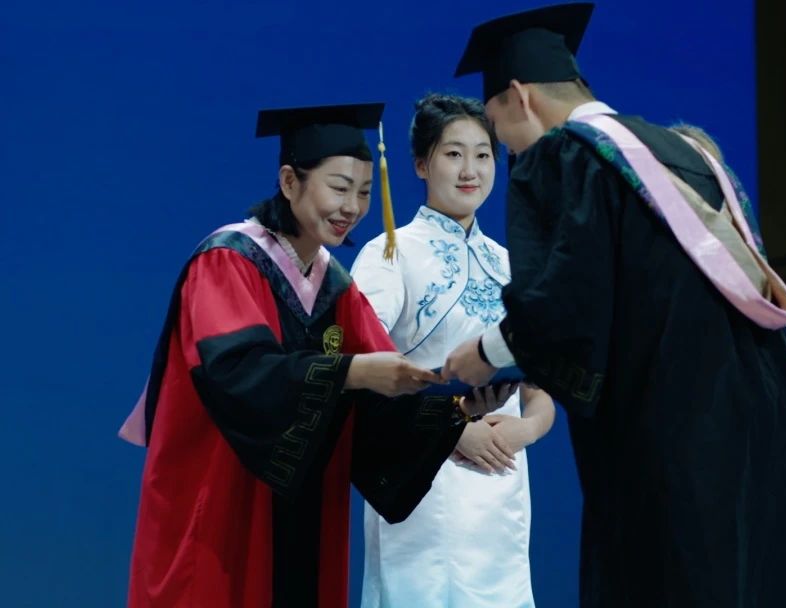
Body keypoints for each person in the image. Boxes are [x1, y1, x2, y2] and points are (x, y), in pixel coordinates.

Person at [443, 4, 786, 607]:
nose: (507, 147)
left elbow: (564, 302)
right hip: (767, 420)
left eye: (496, 127)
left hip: (677, 432)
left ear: (519, 97)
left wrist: (488, 352)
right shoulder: (688, 155)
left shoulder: (570, 156)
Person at [118, 103, 505, 608]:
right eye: (339, 188)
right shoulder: (227, 261)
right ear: (289, 181)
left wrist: (456, 412)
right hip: (220, 495)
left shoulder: (335, 287)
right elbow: (238, 373)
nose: (353, 207)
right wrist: (351, 371)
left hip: (301, 505)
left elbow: (378, 402)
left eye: (363, 192)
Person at [352, 93, 555, 608]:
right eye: (453, 154)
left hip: (503, 480)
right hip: (423, 474)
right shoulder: (390, 253)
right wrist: (453, 428)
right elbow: (364, 367)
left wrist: (528, 428)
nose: (471, 170)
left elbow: (540, 386)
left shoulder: (510, 264)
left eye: (483, 154)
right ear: (422, 164)